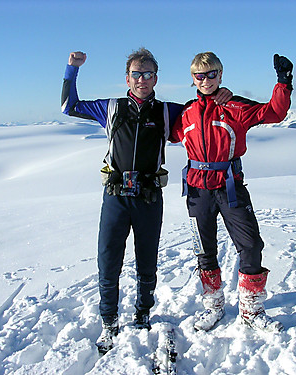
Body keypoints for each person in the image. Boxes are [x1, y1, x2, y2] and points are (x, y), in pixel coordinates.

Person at [61, 48, 231, 353]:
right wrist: (72, 69)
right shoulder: (112, 107)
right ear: (127, 77)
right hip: (115, 196)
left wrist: (222, 93)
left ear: (156, 78)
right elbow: (68, 106)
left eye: (149, 74)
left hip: (149, 196)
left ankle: (142, 315)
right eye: (137, 74)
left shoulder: (166, 112)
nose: (142, 79)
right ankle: (109, 322)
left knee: (147, 262)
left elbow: (202, 109)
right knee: (108, 261)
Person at [169, 51, 293, 332]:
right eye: (200, 75)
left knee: (250, 245)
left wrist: (283, 82)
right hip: (197, 190)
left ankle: (251, 309)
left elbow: (274, 112)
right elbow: (160, 128)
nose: (206, 80)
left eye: (212, 74)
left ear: (220, 74)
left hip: (230, 187)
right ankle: (213, 306)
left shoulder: (234, 106)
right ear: (193, 79)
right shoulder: (186, 112)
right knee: (204, 250)